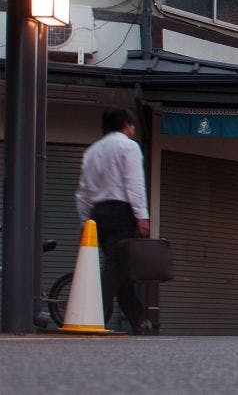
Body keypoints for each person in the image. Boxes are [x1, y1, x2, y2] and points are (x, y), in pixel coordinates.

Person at [75, 107, 150, 335]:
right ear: (126, 125)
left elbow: (83, 192)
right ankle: (97, 316)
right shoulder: (128, 146)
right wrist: (141, 215)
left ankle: (138, 320)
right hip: (121, 213)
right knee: (115, 268)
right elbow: (134, 183)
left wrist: (85, 221)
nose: (134, 130)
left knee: (120, 268)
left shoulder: (91, 152)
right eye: (132, 125)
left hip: (97, 214)